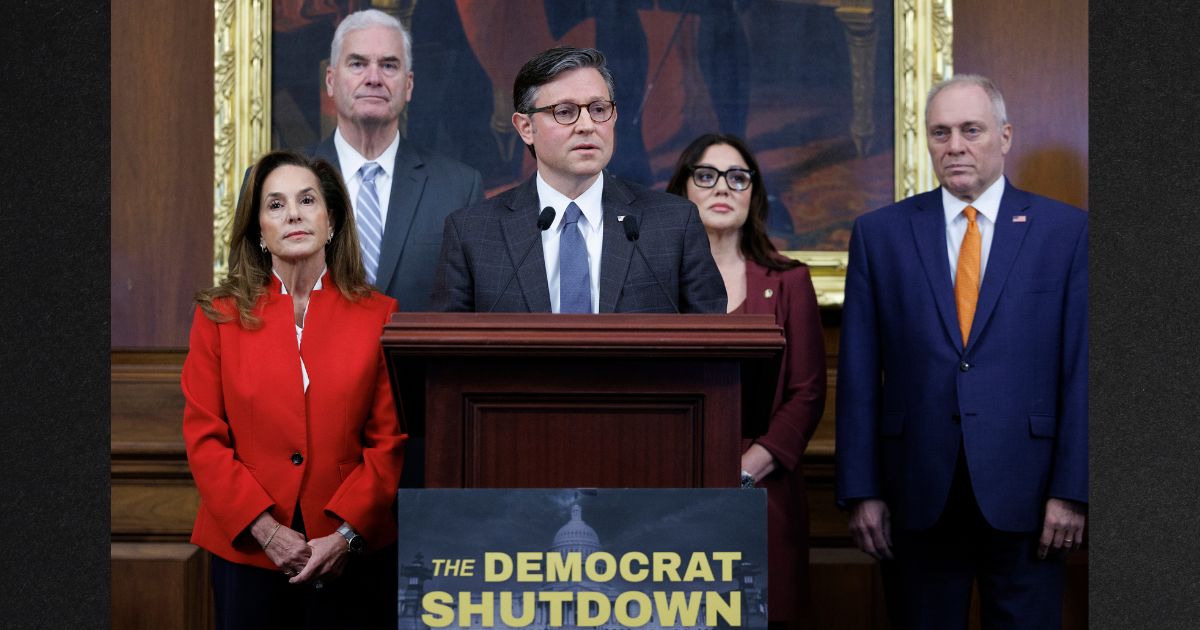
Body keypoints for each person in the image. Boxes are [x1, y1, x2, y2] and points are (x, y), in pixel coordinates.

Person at [835, 74, 1087, 629]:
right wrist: (861, 490)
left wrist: (1073, 491)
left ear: (1005, 135)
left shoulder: (1066, 233)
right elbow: (856, 374)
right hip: (917, 498)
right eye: (940, 132)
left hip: (1031, 497)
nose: (955, 146)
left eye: (971, 130)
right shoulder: (881, 234)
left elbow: (1082, 372)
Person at [183, 151, 406, 629]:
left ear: (331, 222)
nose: (294, 214)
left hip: (351, 549)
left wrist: (346, 536)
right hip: (247, 549)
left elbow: (388, 442)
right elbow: (204, 440)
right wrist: (265, 531)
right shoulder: (217, 316)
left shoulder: (380, 314)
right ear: (259, 231)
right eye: (276, 204)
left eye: (307, 200)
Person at [429, 46, 726, 314]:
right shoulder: (473, 232)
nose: (587, 126)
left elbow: (714, 350)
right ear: (525, 127)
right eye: (565, 112)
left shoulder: (673, 223)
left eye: (598, 110)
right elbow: (447, 359)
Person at [667, 134, 826, 627]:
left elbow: (807, 393)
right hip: (671, 494)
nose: (724, 188)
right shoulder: (651, 282)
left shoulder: (789, 282)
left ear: (753, 193)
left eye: (738, 178)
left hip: (762, 492)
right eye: (707, 176)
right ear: (684, 190)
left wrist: (743, 472)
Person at [315, 8, 483, 311]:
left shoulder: (458, 188)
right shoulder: (280, 180)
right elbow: (255, 300)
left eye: (389, 66)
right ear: (330, 80)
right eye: (357, 64)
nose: (374, 78)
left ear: (408, 85)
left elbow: (471, 309)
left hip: (416, 359)